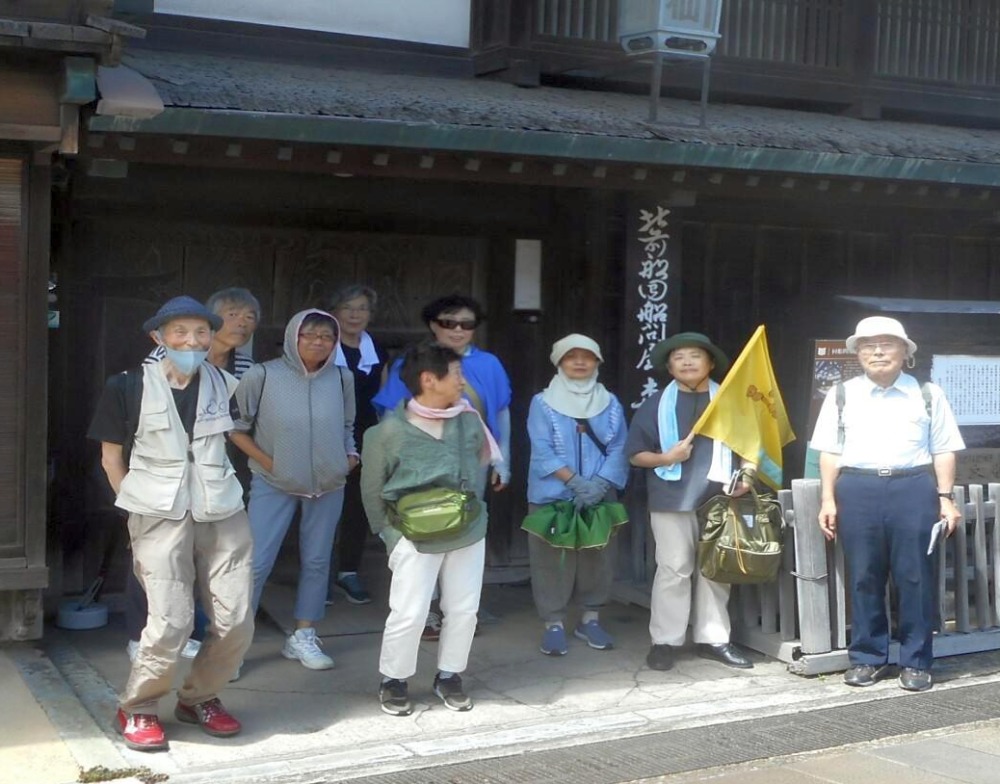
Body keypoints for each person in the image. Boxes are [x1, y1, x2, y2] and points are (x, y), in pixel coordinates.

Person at [87, 295, 253, 752]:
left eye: (200, 332)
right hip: (156, 511)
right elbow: (110, 457)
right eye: (179, 332)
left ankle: (199, 697)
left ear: (211, 336)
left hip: (222, 508)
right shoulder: (128, 386)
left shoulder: (227, 384)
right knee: (171, 620)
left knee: (237, 619)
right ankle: (139, 706)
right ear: (158, 337)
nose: (191, 341)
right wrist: (132, 507)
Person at [811, 316, 964, 692]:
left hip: (912, 487)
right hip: (857, 488)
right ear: (858, 354)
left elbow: (943, 449)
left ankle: (916, 661)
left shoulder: (927, 393)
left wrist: (945, 498)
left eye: (887, 344)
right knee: (863, 575)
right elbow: (829, 451)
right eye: (868, 345)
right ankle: (868, 657)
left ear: (905, 352)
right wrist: (828, 498)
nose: (877, 352)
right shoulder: (841, 394)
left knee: (915, 575)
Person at [361, 342, 502, 715]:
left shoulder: (468, 420)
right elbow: (372, 491)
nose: (462, 382)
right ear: (428, 379)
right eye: (456, 374)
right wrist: (390, 536)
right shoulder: (386, 432)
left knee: (464, 609)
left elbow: (478, 467)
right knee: (409, 612)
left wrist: (472, 510)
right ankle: (394, 680)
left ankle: (450, 675)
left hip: (467, 528)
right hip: (411, 534)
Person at [126, 287, 261, 661]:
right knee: (155, 559)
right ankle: (141, 635)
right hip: (160, 475)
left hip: (213, 473)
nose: (242, 323)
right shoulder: (161, 360)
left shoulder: (244, 367)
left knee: (204, 558)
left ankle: (187, 633)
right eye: (233, 314)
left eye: (249, 316)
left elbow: (239, 421)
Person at [372, 294, 511, 638]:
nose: (458, 330)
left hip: (473, 459)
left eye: (467, 324)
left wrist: (503, 458)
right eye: (449, 323)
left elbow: (502, 410)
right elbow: (390, 412)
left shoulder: (489, 364)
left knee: (464, 526)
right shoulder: (413, 361)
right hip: (420, 460)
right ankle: (424, 608)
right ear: (433, 325)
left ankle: (458, 607)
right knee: (422, 524)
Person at [231, 309, 357, 671]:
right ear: (293, 337)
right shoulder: (262, 375)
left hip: (328, 483)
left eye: (327, 337)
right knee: (256, 563)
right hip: (273, 483)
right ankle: (233, 647)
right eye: (310, 335)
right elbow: (236, 428)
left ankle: (303, 635)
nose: (319, 342)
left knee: (317, 561)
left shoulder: (342, 377)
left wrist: (349, 458)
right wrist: (271, 464)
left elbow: (347, 425)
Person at [625, 332, 756, 672]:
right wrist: (667, 457)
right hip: (671, 497)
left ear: (710, 363)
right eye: (678, 357)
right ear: (669, 368)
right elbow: (636, 454)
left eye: (695, 355)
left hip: (720, 496)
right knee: (673, 569)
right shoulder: (655, 405)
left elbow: (750, 446)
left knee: (716, 569)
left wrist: (748, 475)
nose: (686, 362)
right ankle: (665, 641)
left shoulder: (729, 401)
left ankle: (714, 639)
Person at [525, 334, 629, 655]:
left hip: (599, 493)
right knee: (551, 560)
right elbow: (542, 449)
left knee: (598, 556)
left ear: (598, 362)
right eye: (571, 356)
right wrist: (575, 482)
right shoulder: (542, 402)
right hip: (553, 495)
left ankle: (590, 619)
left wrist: (599, 484)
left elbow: (620, 447)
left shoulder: (610, 403)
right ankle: (553, 623)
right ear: (559, 362)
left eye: (588, 356)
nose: (580, 362)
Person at [326, 285, 389, 605]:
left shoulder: (376, 351)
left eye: (362, 308)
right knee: (322, 505)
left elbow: (384, 398)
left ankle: (348, 571)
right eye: (348, 307)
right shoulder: (323, 346)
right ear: (334, 312)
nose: (355, 314)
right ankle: (318, 576)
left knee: (357, 504)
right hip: (326, 433)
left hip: (366, 434)